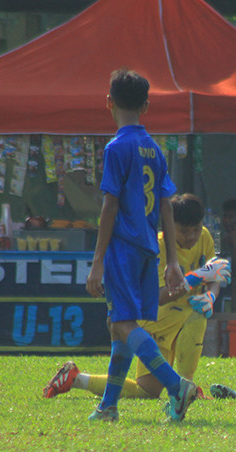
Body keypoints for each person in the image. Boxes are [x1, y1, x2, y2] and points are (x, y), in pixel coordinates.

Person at [83, 69, 199, 423]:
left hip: (123, 248)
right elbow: (166, 205)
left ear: (109, 102)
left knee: (122, 322)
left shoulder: (116, 148)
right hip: (150, 249)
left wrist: (97, 260)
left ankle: (176, 386)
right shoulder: (154, 150)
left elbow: (110, 205)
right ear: (146, 106)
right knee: (119, 323)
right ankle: (108, 406)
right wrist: (173, 261)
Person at [44, 193, 230, 400]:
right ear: (169, 226)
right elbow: (158, 297)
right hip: (157, 321)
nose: (192, 236)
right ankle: (185, 391)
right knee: (148, 391)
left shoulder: (204, 236)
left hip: (182, 317)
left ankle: (186, 386)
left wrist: (211, 295)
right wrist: (196, 277)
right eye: (184, 231)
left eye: (196, 229)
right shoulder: (158, 247)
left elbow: (215, 273)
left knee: (197, 312)